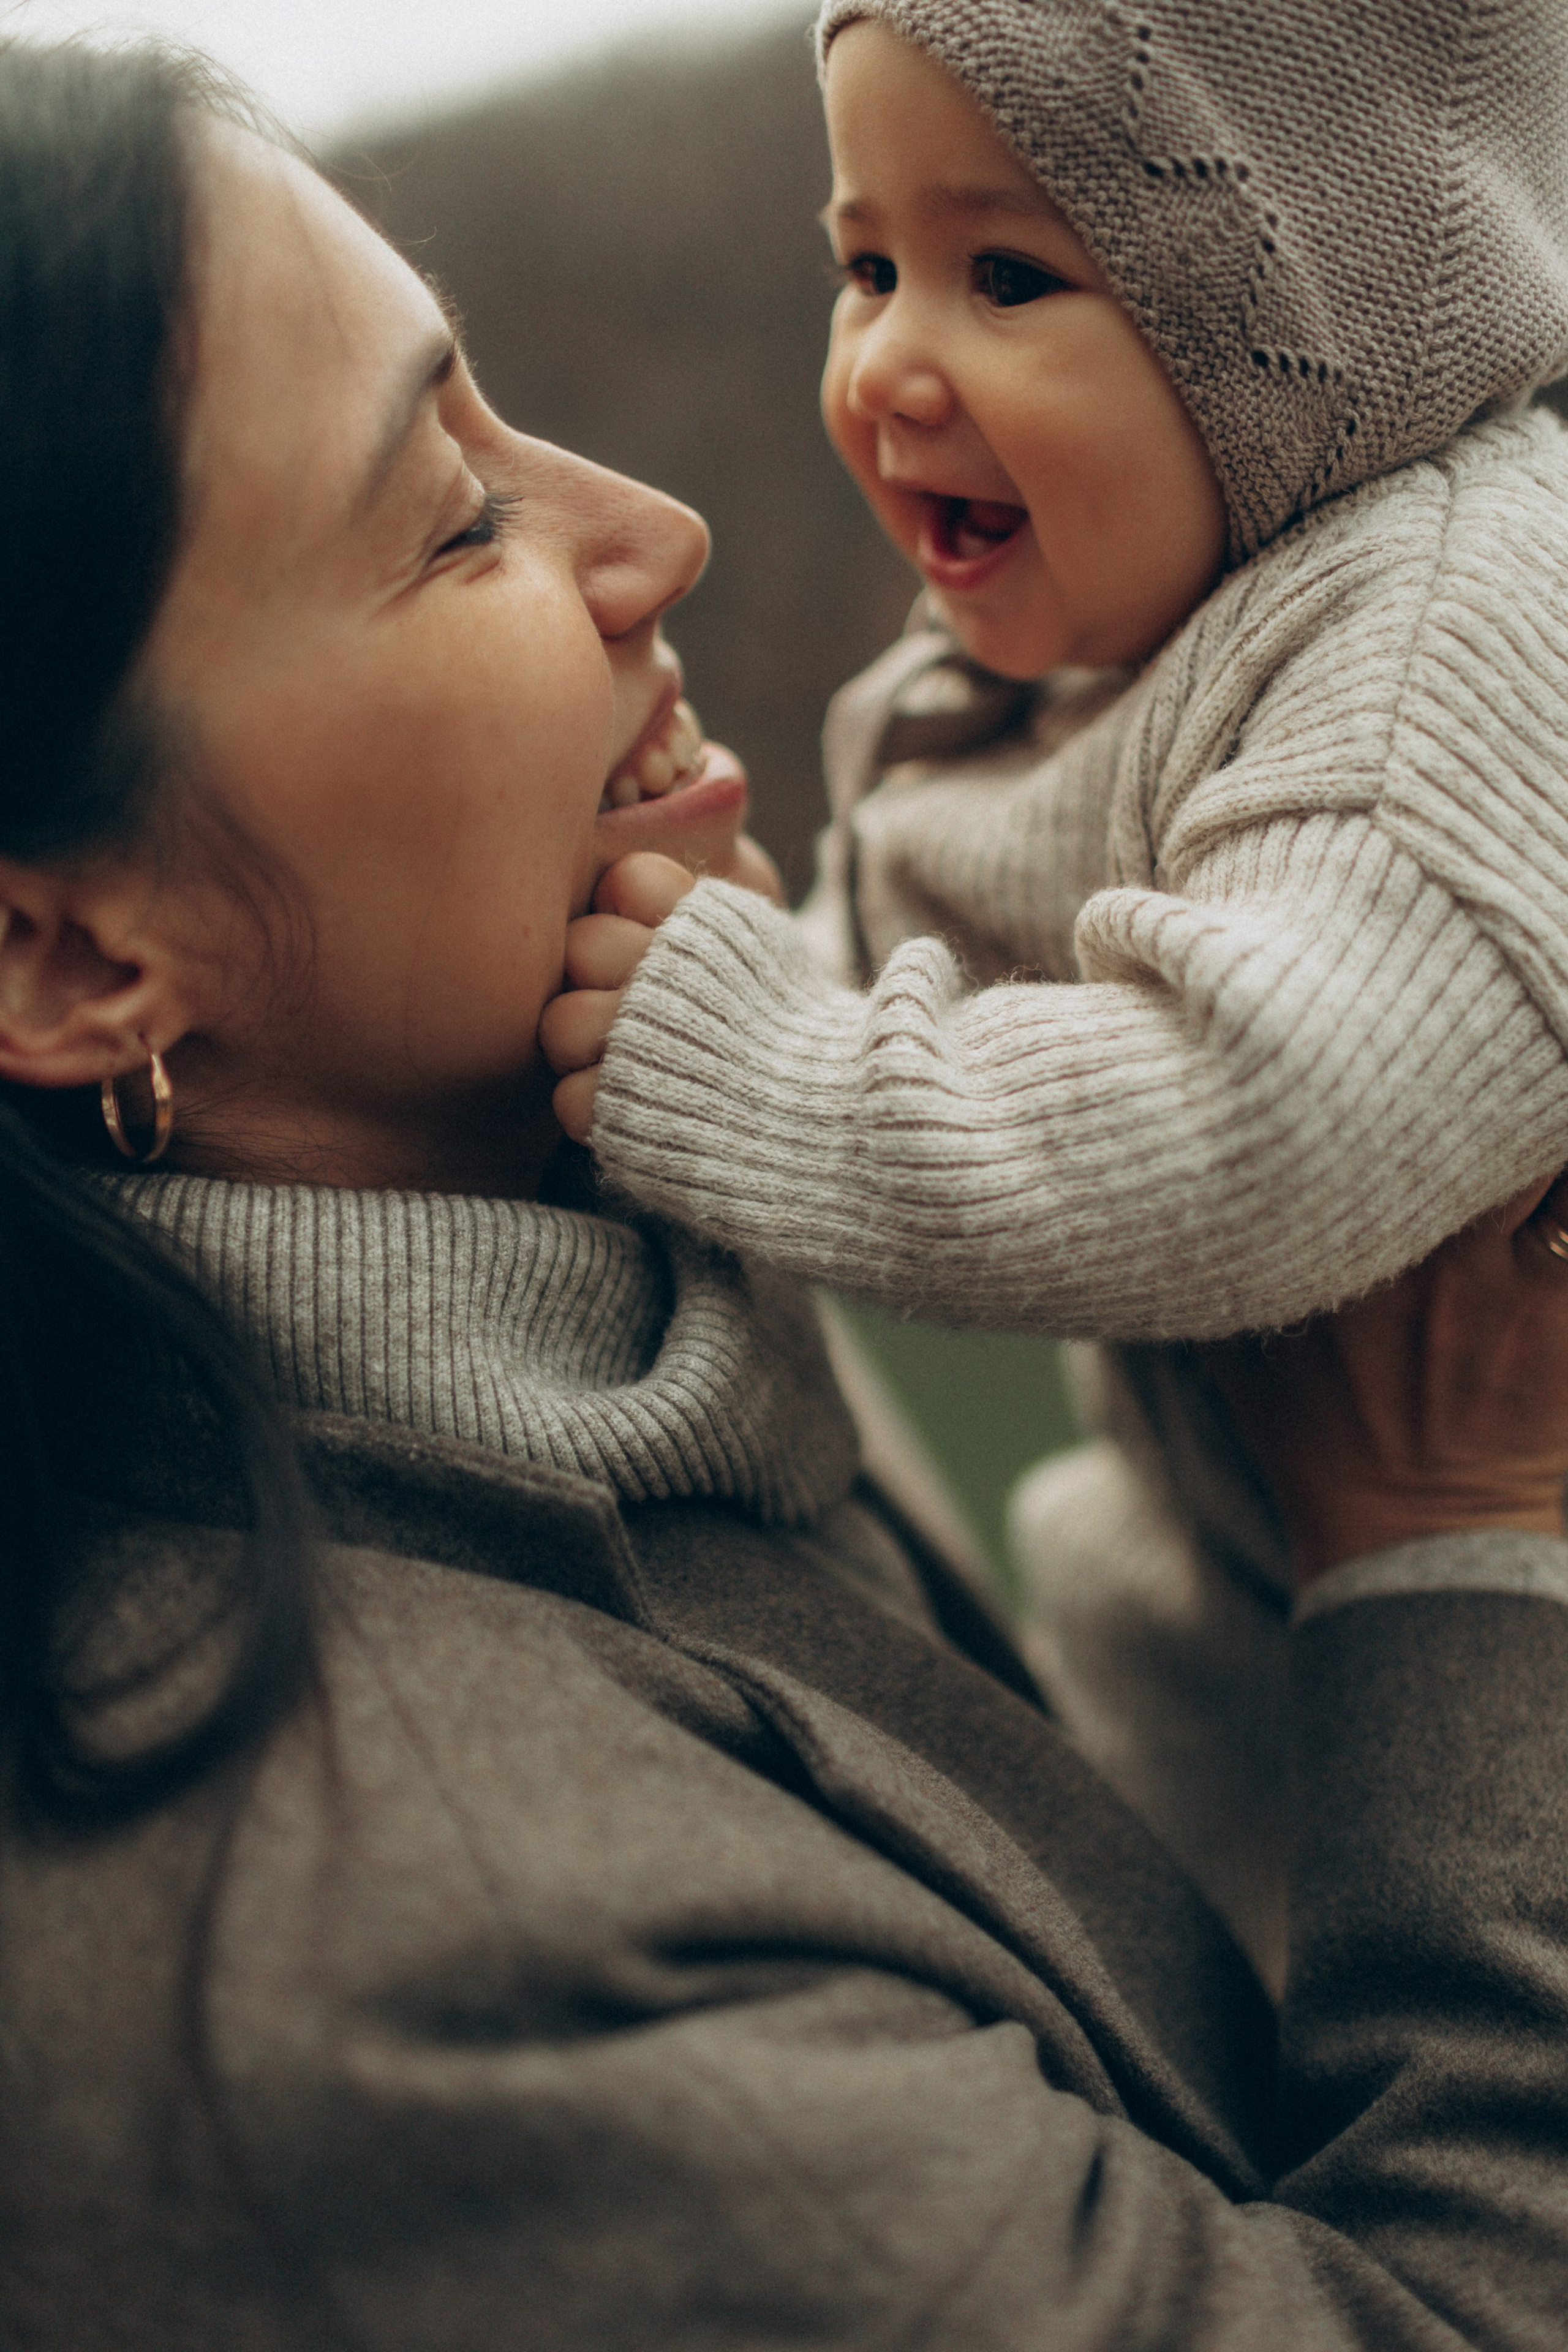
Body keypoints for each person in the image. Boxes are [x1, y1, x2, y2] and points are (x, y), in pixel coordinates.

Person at [4, 32, 1568, 2351]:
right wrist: (1458, 1544)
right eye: (452, 521)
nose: (660, 529)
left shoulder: (582, 1281)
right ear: (70, 951)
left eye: (507, 415)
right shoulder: (417, 1963)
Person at [538, 0, 1568, 1981]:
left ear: (1323, 330)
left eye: (1007, 274)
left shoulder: (1445, 644)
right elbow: (898, 955)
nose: (889, 361)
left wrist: (735, 1053)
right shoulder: (1068, 659)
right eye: (865, 265)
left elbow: (1248, 1126)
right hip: (1245, 1631)